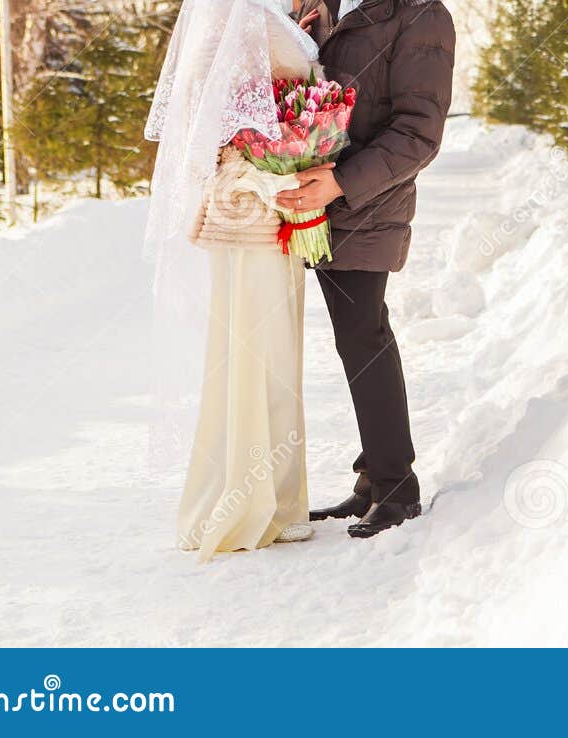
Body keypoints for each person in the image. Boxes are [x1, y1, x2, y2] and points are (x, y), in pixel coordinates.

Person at [144, 0, 323, 560]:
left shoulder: (259, 14)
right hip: (253, 204)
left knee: (270, 352)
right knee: (254, 352)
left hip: (271, 204)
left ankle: (280, 497)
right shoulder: (239, 12)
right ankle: (246, 497)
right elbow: (224, 119)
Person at [275, 0, 455, 537]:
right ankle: (375, 479)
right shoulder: (321, 5)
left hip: (367, 201)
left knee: (363, 333)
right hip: (310, 198)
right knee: (355, 337)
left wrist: (340, 183)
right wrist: (295, 41)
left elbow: (419, 132)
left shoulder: (421, 15)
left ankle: (398, 489)